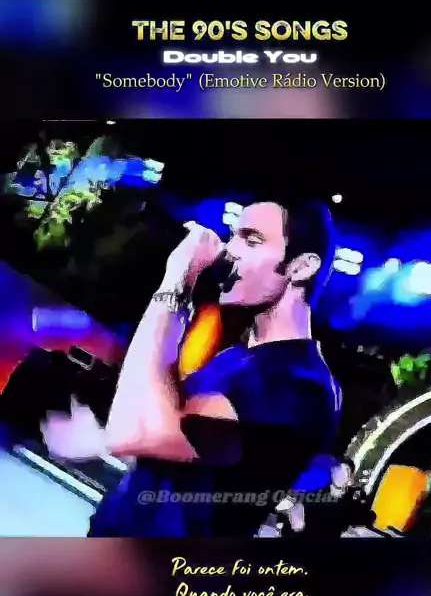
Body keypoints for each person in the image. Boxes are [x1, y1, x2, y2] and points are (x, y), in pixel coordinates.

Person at [41, 198, 342, 536]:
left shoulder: (297, 383)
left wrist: (177, 280)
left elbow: (138, 432)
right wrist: (101, 441)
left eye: (252, 240)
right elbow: (181, 446)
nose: (229, 251)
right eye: (232, 236)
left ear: (301, 267)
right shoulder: (240, 357)